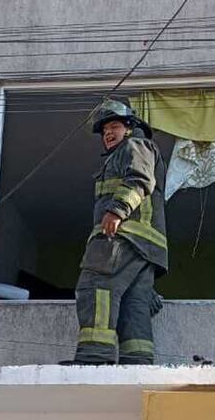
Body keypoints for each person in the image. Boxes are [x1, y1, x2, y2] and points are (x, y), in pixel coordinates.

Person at [66, 100, 168, 365]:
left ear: (130, 127)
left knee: (95, 286)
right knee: (135, 302)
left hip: (122, 237)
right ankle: (138, 361)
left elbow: (140, 180)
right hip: (143, 247)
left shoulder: (135, 146)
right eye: (104, 131)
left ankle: (92, 357)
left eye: (114, 126)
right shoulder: (128, 152)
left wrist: (117, 211)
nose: (108, 133)